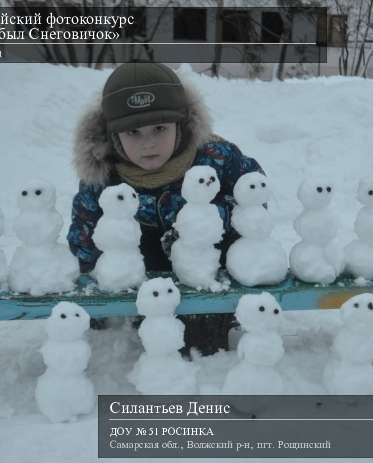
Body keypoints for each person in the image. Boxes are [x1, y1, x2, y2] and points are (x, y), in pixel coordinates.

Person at [67, 61, 264, 356]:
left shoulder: (216, 158)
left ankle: (211, 320)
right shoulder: (103, 179)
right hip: (141, 287)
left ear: (181, 124)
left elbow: (253, 201)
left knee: (202, 351)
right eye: (133, 132)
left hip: (205, 277)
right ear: (113, 136)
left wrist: (209, 222)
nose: (148, 144)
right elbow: (85, 238)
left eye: (159, 128)